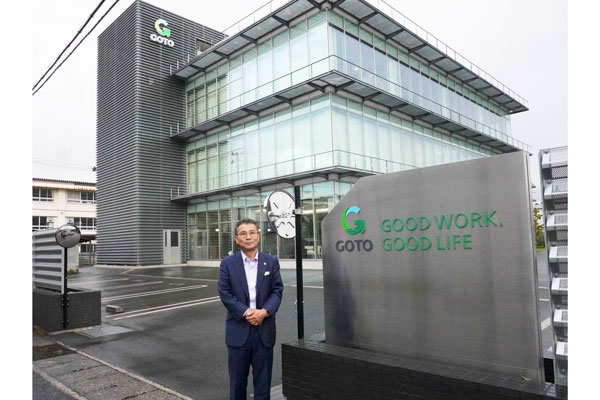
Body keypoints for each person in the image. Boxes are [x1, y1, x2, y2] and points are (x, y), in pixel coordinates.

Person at [217, 218, 284, 400]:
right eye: (243, 234)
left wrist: (264, 312)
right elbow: (225, 293)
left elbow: (277, 290)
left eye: (252, 232)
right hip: (238, 331)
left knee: (263, 386)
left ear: (258, 236)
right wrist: (247, 312)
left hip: (264, 331)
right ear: (236, 239)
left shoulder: (271, 262)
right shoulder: (228, 264)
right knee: (237, 386)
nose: (248, 237)